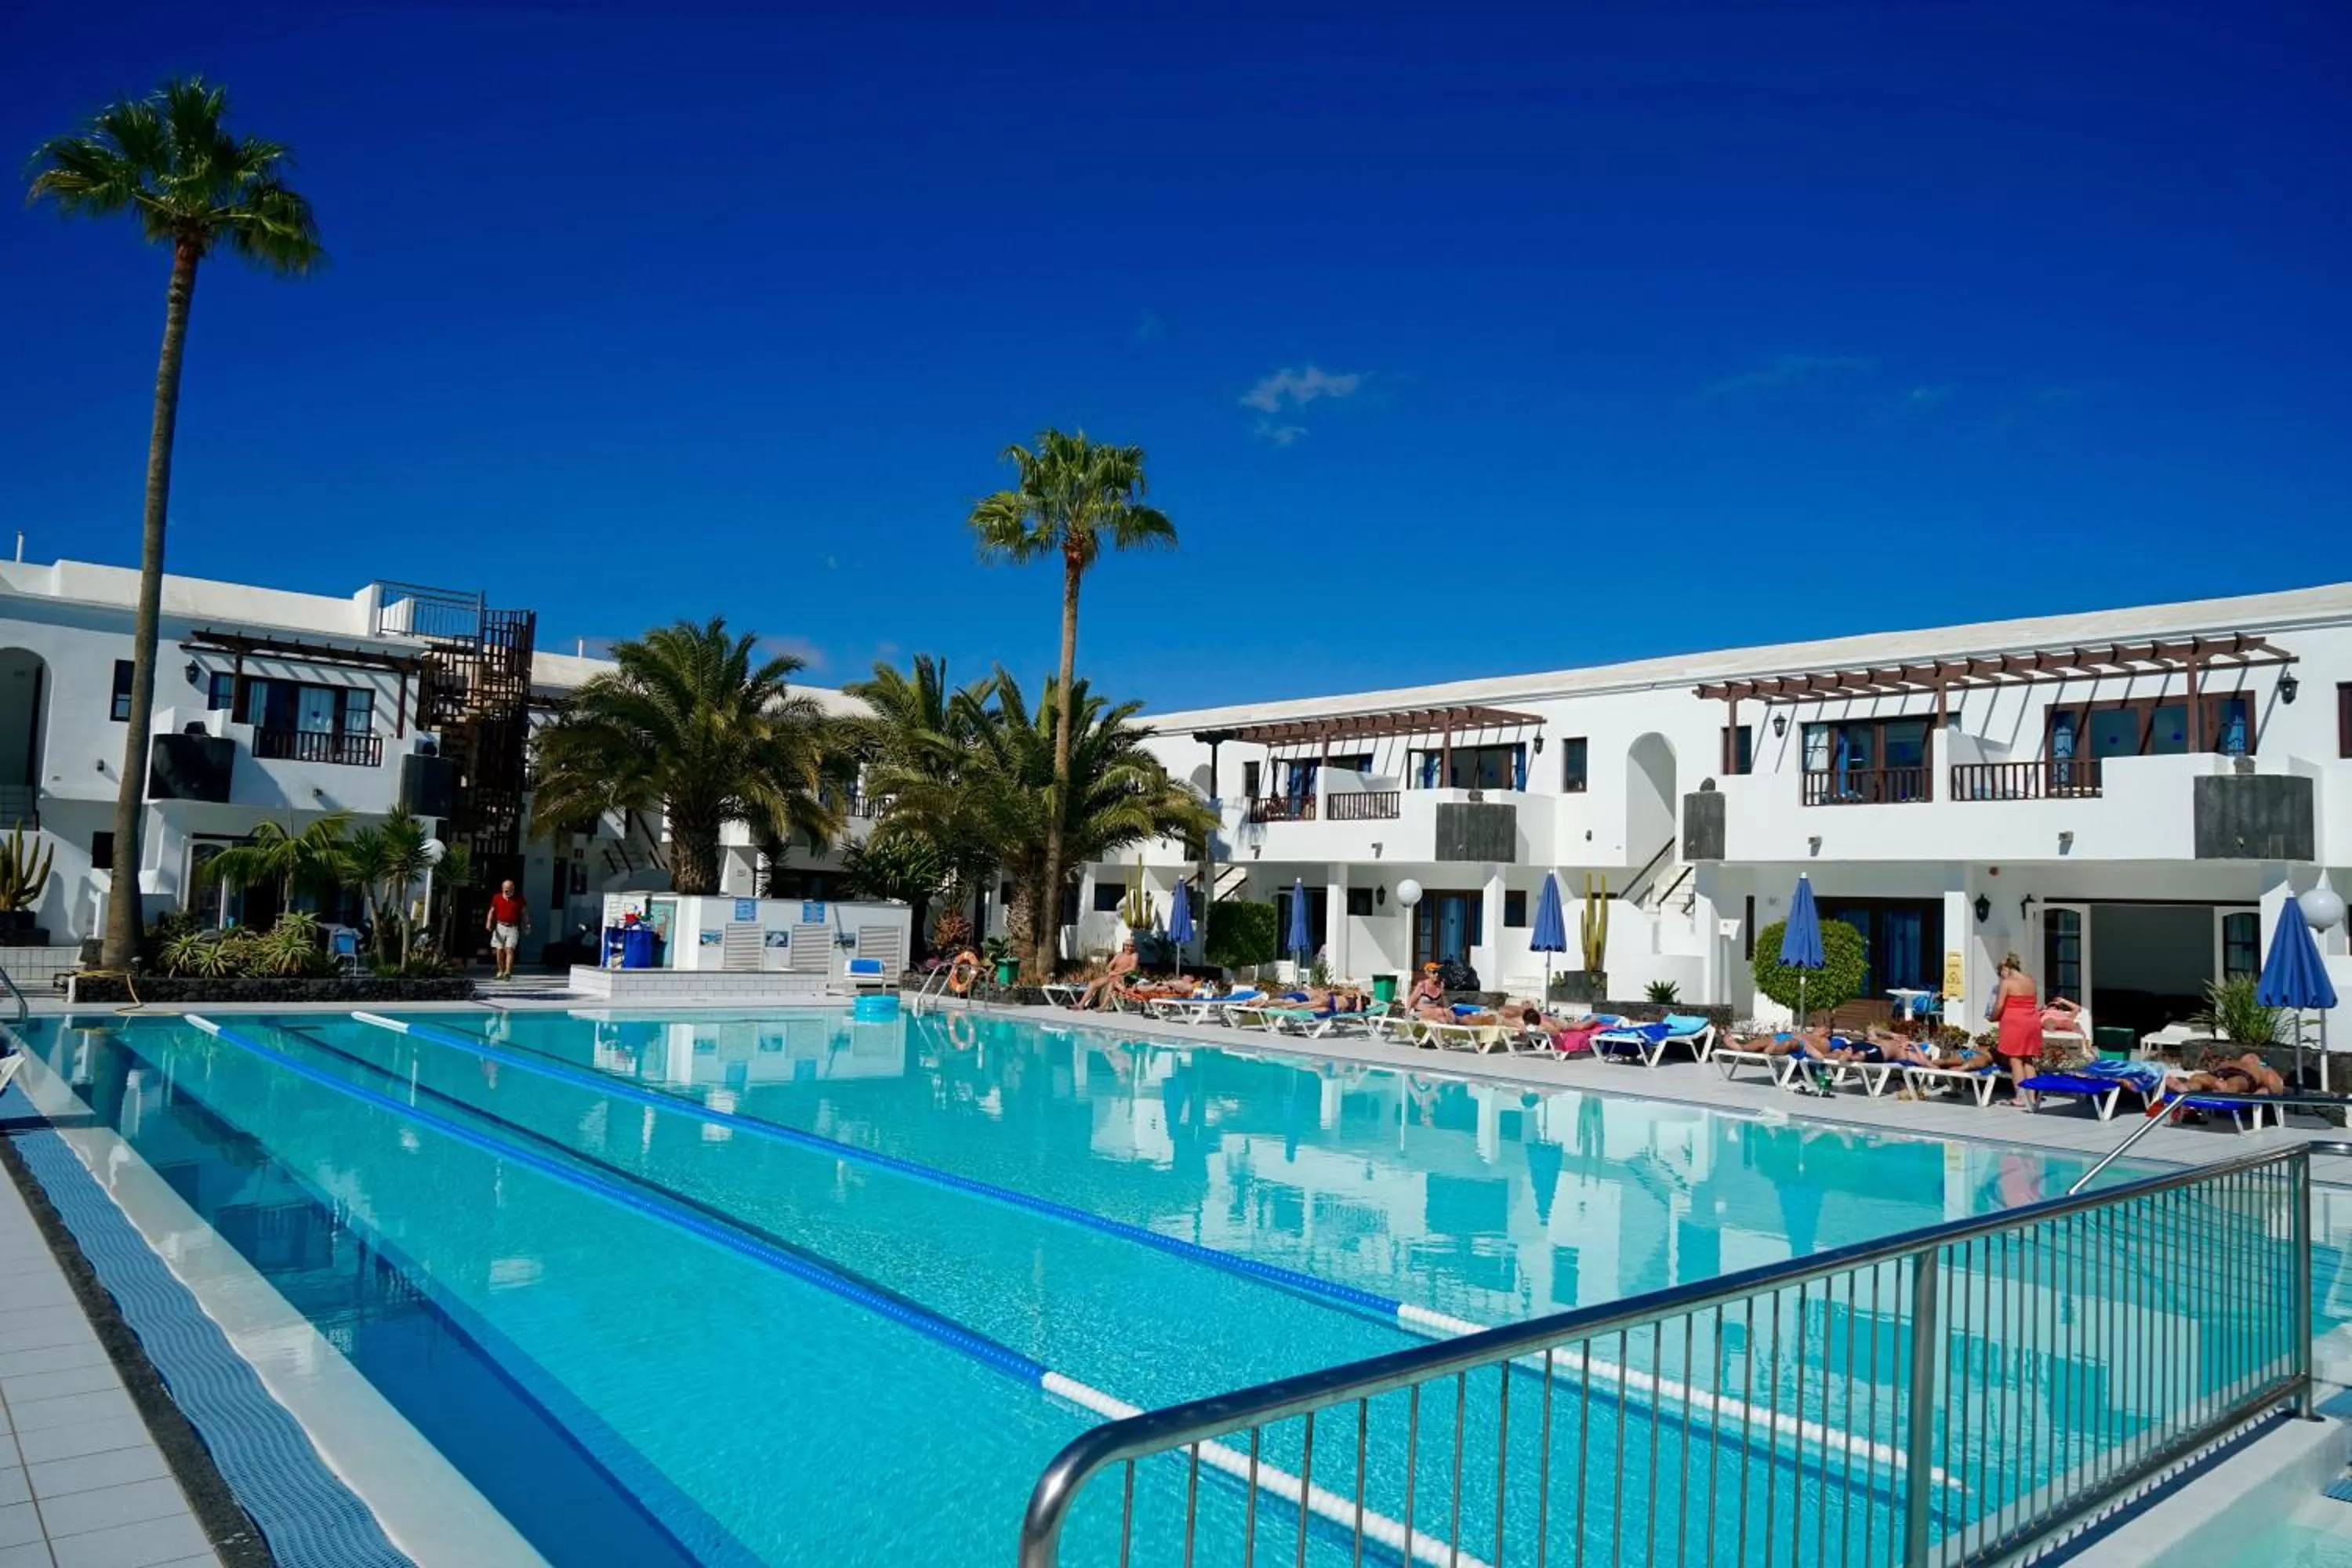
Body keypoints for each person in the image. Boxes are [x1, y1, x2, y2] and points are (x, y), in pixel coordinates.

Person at [1991, 953, 2044, 1107]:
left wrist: (1993, 1017)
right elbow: (2034, 1002)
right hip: (2032, 1021)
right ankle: (2032, 1098)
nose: (2001, 975)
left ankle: (2020, 1097)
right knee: (2028, 1059)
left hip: (2015, 1022)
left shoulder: (2007, 982)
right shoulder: (2031, 980)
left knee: (2015, 1059)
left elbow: (1999, 1005)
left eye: (2000, 971)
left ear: (2006, 969)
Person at [485, 880, 529, 979]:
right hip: (500, 927)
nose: (508, 893)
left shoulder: (519, 899)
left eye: (510, 890)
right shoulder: (497, 898)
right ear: (502, 889)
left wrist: (526, 925)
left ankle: (507, 972)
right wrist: (488, 922)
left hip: (513, 928)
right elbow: (491, 911)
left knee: (509, 950)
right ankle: (500, 971)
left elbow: (524, 913)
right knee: (499, 950)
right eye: (506, 891)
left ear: (513, 889)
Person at [1080, 941, 1139, 1010]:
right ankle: (1081, 1004)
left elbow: (1132, 968)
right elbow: (1109, 965)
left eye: (1131, 946)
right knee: (1093, 983)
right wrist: (1109, 971)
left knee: (1111, 983)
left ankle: (1103, 1006)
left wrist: (1116, 973)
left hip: (1124, 977)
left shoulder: (1134, 955)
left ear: (1134, 947)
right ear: (1124, 946)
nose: (1129, 948)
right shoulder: (1119, 955)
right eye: (1127, 945)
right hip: (1113, 975)